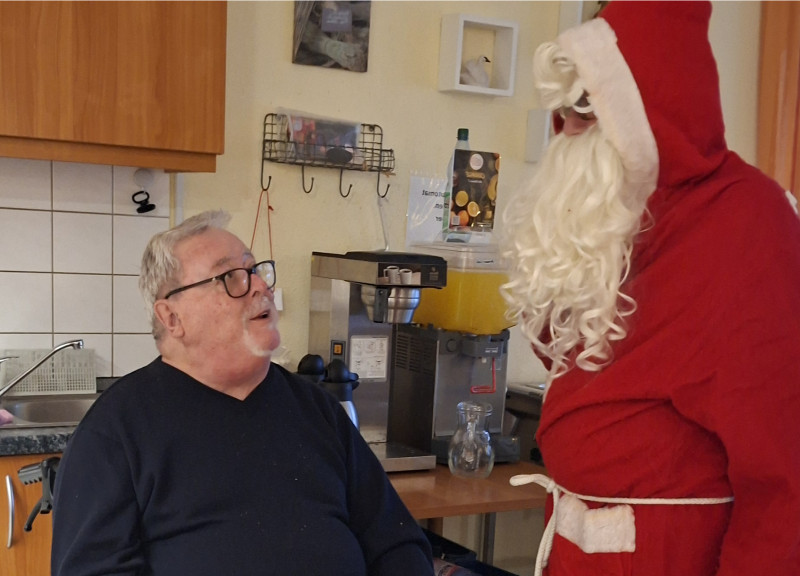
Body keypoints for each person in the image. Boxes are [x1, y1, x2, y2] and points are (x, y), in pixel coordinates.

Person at [499, 2, 800, 576]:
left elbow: (786, 480)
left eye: (586, 109)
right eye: (563, 111)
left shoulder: (746, 226)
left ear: (645, 107)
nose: (565, 131)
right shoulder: (617, 216)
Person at [51, 210, 434, 576]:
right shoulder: (115, 433)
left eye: (254, 270)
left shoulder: (317, 409)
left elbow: (397, 543)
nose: (261, 286)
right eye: (231, 277)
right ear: (172, 317)